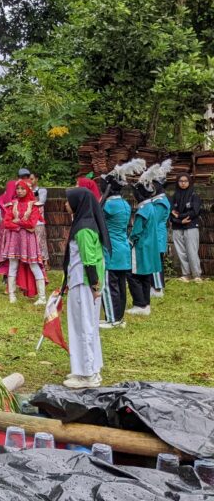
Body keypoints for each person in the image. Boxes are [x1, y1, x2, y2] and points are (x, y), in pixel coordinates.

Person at [61, 187, 108, 389]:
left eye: (68, 201)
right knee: (87, 326)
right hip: (83, 282)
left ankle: (88, 374)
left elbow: (89, 260)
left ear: (78, 203)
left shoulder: (83, 229)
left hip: (84, 283)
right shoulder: (85, 224)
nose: (65, 204)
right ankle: (88, 369)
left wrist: (95, 285)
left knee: (83, 326)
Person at [127, 161, 170, 316]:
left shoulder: (147, 208)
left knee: (142, 270)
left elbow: (138, 230)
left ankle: (153, 291)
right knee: (148, 269)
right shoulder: (151, 205)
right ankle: (147, 298)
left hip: (147, 241)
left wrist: (129, 241)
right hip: (150, 238)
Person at [0, 180, 47, 304]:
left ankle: (42, 297)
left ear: (28, 190)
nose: (20, 191)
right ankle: (12, 295)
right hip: (14, 239)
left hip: (28, 240)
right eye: (18, 189)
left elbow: (32, 224)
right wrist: (21, 225)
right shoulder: (12, 204)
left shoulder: (34, 205)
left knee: (34, 265)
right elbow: (6, 223)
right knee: (13, 265)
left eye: (22, 189)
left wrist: (16, 221)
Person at [97, 175, 131, 329]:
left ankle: (112, 319)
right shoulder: (125, 204)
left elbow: (96, 219)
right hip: (123, 249)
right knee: (120, 285)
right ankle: (119, 317)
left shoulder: (108, 206)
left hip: (111, 250)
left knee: (109, 285)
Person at [170, 174, 203, 282]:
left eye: (185, 181)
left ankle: (196, 275)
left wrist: (179, 216)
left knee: (192, 251)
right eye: (180, 181)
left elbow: (195, 212)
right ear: (177, 182)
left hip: (191, 226)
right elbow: (170, 214)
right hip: (177, 227)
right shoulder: (174, 196)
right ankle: (186, 274)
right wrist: (180, 221)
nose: (183, 183)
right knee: (181, 252)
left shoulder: (194, 196)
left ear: (189, 182)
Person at [150, 179, 172, 297]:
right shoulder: (158, 200)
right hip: (155, 234)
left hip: (157, 235)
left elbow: (154, 219)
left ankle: (158, 288)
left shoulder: (161, 201)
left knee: (156, 262)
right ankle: (154, 286)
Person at [28, 172, 49, 270]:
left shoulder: (42, 190)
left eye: (32, 179)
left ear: (36, 179)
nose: (30, 181)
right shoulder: (24, 190)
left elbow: (41, 202)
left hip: (38, 220)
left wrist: (29, 203)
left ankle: (45, 261)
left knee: (41, 241)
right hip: (28, 221)